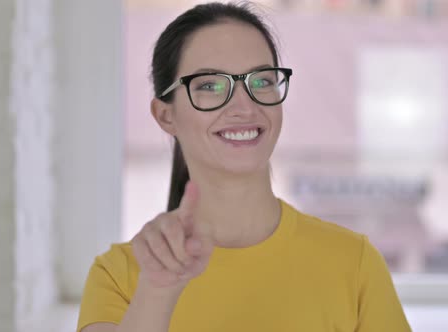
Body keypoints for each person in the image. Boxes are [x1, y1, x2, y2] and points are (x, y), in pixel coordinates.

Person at [77, 2, 411, 332]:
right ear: (166, 115)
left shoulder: (354, 264)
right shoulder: (120, 276)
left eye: (261, 81)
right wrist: (157, 293)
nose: (244, 105)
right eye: (210, 85)